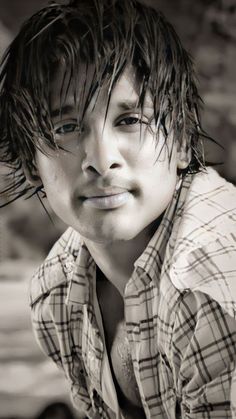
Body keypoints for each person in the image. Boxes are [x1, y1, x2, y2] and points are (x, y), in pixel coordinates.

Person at [0, 0, 236, 418]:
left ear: (182, 141)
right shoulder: (56, 294)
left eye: (129, 120)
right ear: (30, 163)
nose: (100, 158)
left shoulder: (210, 291)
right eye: (67, 127)